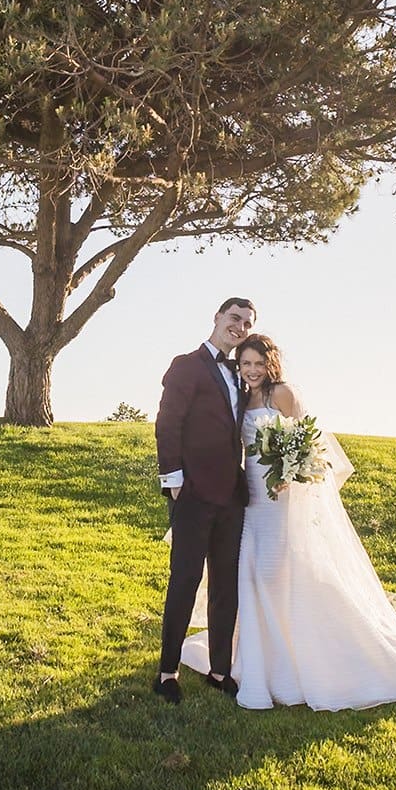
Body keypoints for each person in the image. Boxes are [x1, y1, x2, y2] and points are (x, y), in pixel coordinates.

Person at [179, 333, 396, 711]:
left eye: (258, 363)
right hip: (250, 499)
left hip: (281, 501)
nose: (252, 370)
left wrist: (289, 473)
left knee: (276, 572)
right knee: (249, 573)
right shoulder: (240, 397)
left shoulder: (283, 394)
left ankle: (295, 655)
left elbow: (310, 446)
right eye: (246, 363)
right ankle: (256, 656)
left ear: (270, 364)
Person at [151, 297, 256, 704]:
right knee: (185, 580)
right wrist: (173, 480)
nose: (240, 327)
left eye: (247, 323)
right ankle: (167, 672)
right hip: (193, 494)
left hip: (232, 497)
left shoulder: (242, 375)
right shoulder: (186, 366)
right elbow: (168, 422)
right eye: (234, 318)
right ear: (217, 317)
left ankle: (219, 670)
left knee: (226, 585)